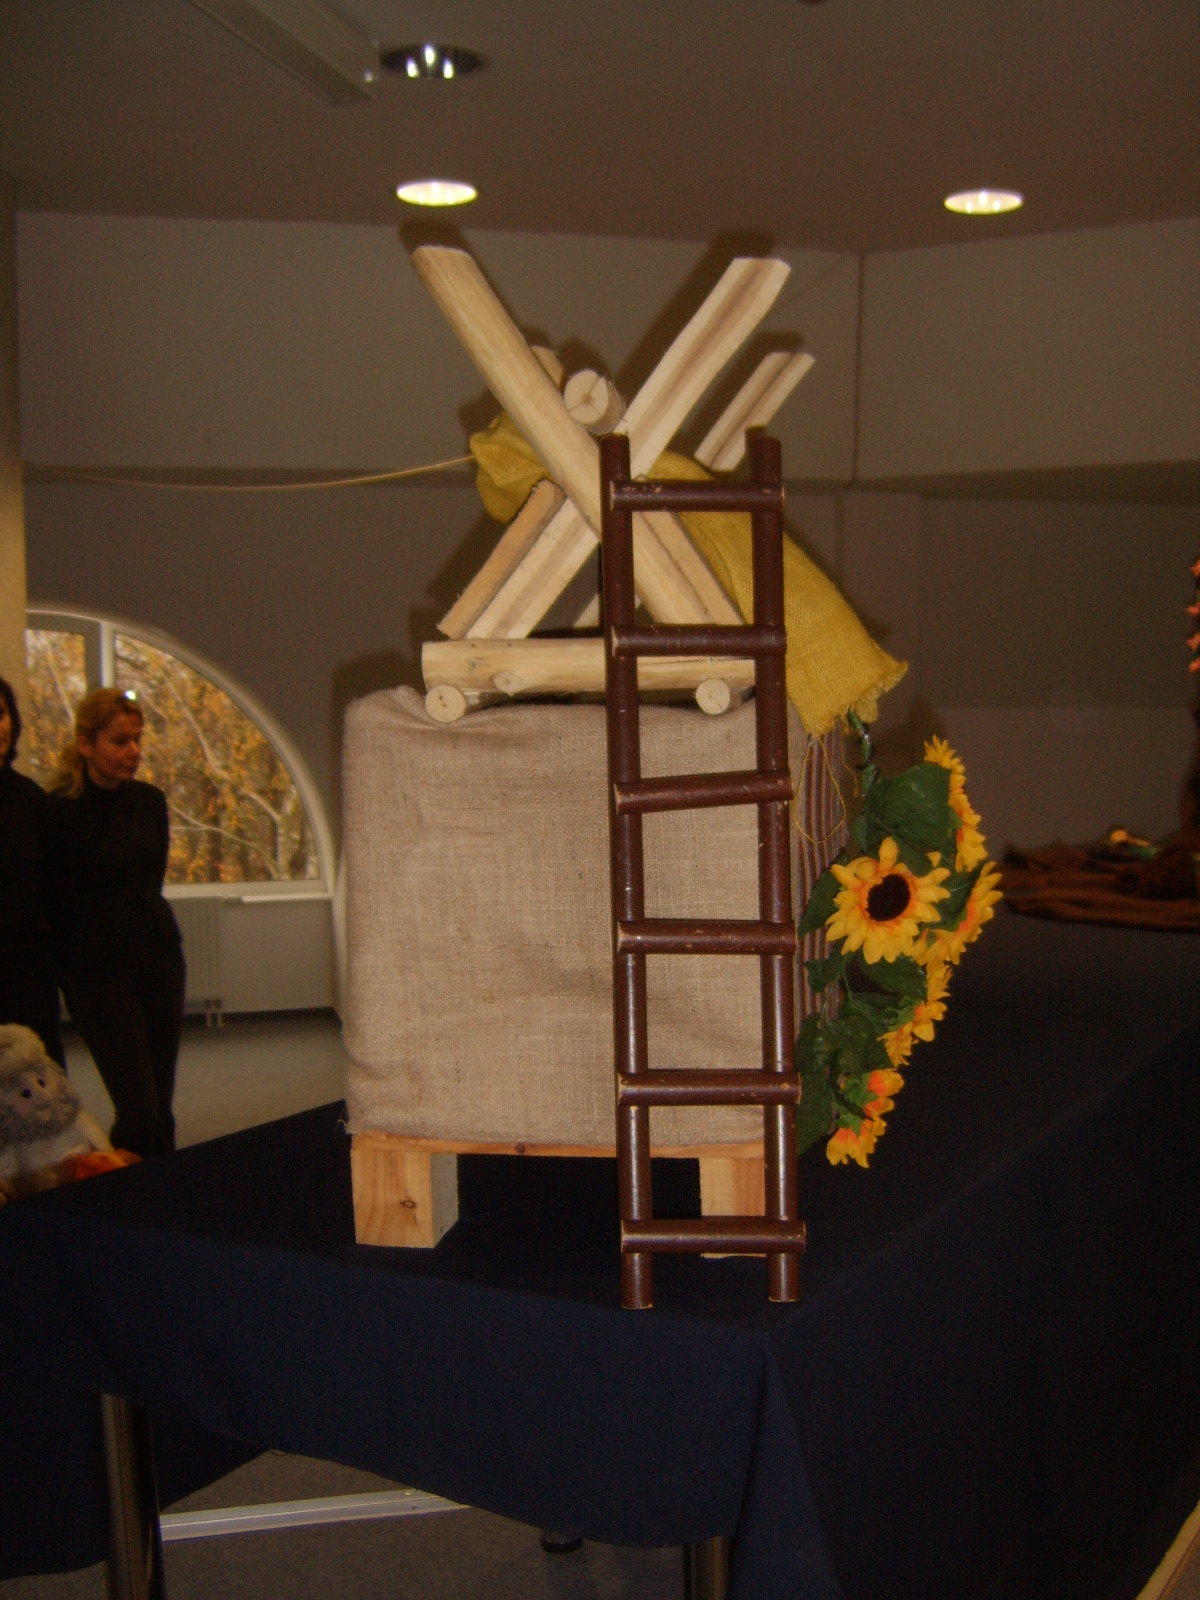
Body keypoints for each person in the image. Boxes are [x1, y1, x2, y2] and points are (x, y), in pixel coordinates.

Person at [45, 688, 185, 1157]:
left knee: (159, 1107)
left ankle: (162, 1185)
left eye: (138, 740)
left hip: (158, 959)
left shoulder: (149, 801)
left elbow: (149, 880)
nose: (134, 752)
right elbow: (57, 900)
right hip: (97, 973)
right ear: (86, 744)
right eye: (120, 741)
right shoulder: (57, 811)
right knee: (139, 1108)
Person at [0, 674, 65, 1067]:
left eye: (0, 713)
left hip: (27, 972)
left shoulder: (31, 801)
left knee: (42, 1082)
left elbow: (53, 889)